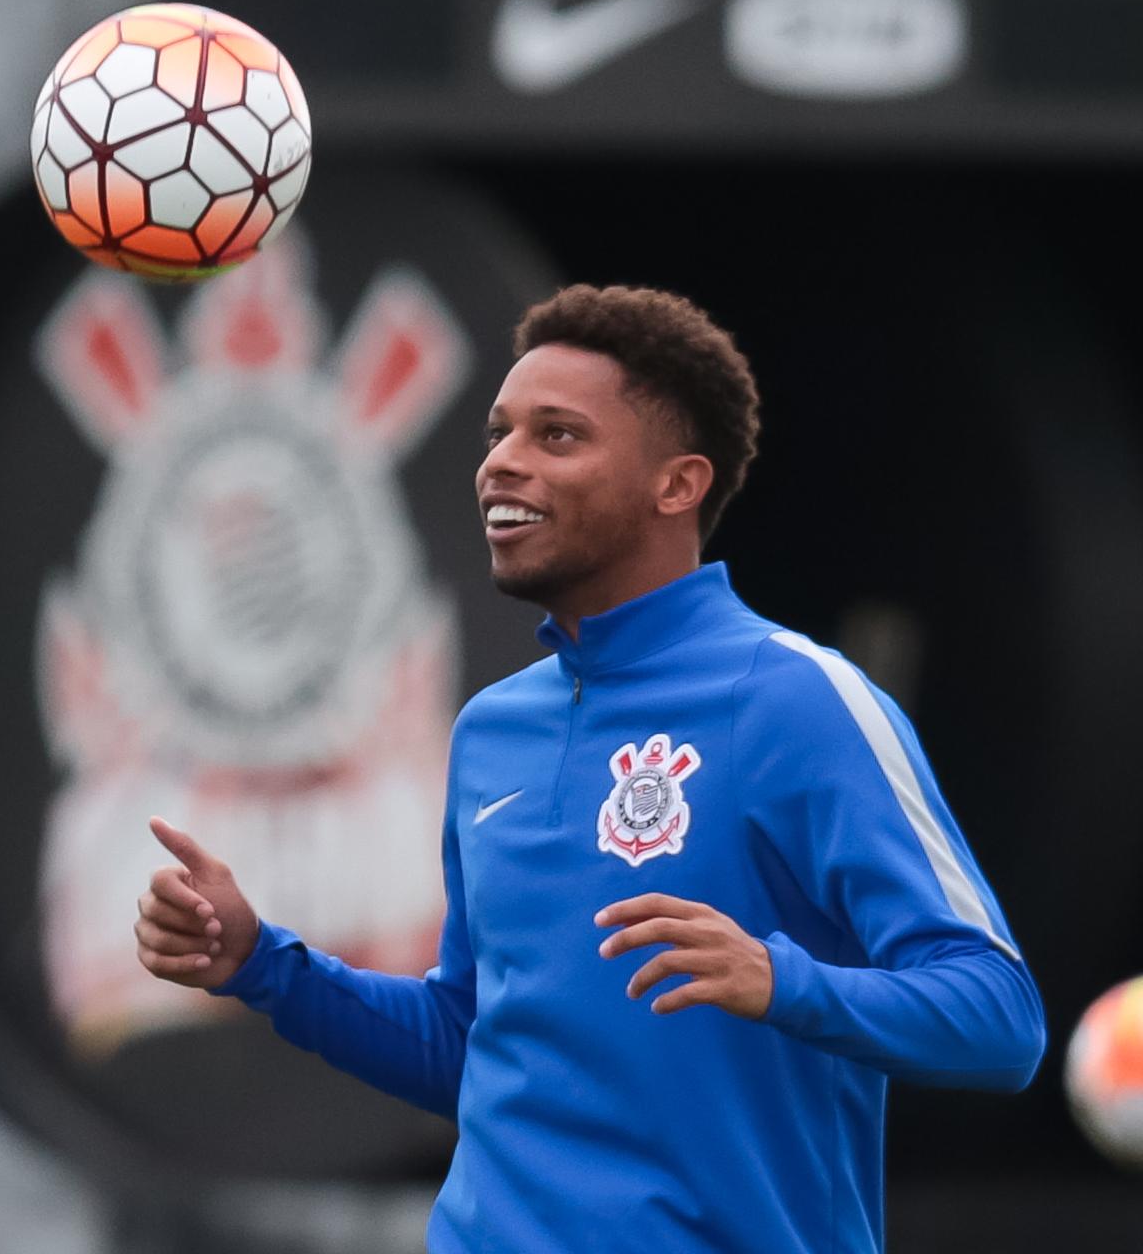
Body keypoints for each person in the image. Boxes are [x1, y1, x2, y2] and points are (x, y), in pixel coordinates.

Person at [131, 284, 1045, 1253]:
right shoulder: (492, 729)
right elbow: (471, 1041)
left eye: (557, 436)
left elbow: (999, 1016)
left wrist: (780, 980)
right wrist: (262, 964)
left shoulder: (798, 701)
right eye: (499, 433)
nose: (500, 464)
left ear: (677, 483)